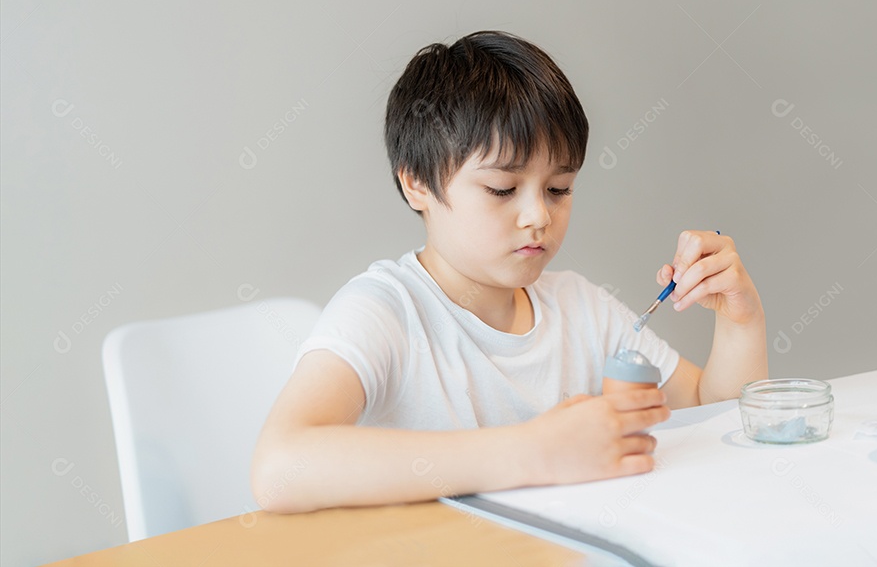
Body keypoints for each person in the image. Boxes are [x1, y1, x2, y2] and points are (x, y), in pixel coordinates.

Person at [251, 31, 767, 512]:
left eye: (559, 189)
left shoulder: (581, 309)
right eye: (502, 189)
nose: (538, 216)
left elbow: (715, 413)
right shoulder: (386, 312)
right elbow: (279, 467)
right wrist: (531, 452)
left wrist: (740, 320)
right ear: (417, 186)